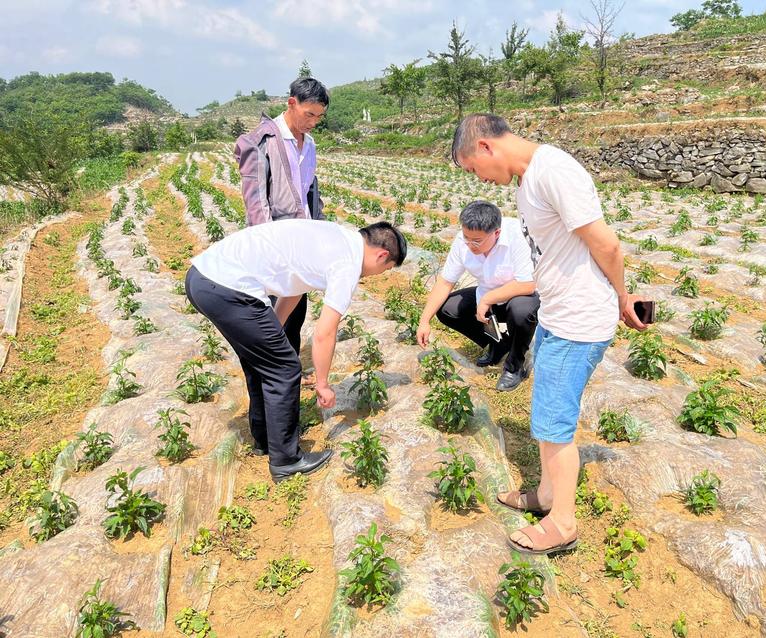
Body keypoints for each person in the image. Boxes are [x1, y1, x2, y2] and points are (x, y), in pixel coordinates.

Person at [450, 113, 647, 554]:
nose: (480, 178)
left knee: (555, 425)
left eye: (473, 168)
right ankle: (545, 495)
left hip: (579, 319)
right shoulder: (530, 179)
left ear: (485, 148)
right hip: (558, 314)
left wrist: (622, 298)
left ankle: (562, 523)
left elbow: (606, 243)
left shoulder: (554, 171)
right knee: (546, 415)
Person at [185, 220, 406, 482]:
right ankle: (286, 461)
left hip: (202, 278)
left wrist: (271, 332)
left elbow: (292, 288)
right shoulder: (348, 263)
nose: (377, 275)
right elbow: (325, 332)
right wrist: (323, 384)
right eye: (385, 269)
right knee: (285, 368)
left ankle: (266, 438)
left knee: (262, 360)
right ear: (382, 255)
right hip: (227, 287)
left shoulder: (335, 238)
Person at [234, 76, 329, 356]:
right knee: (272, 316)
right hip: (275, 243)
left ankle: (290, 377)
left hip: (301, 241)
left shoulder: (309, 144)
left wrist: (320, 232)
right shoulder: (261, 141)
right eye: (308, 114)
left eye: (319, 117)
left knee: (296, 314)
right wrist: (269, 247)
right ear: (291, 103)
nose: (313, 122)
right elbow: (256, 200)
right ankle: (273, 379)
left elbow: (310, 191)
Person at [416, 200, 539, 391]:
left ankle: (514, 365)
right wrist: (424, 320)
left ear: (496, 233)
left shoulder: (517, 236)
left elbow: (528, 284)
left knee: (521, 312)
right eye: (467, 237)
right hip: (486, 296)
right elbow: (445, 282)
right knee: (447, 309)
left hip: (519, 295)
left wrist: (488, 299)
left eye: (477, 241)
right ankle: (499, 344)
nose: (470, 245)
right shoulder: (462, 241)